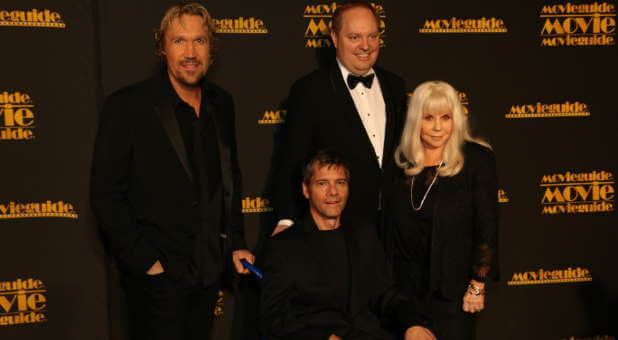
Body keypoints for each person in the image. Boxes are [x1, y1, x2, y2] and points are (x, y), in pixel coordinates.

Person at [90, 3, 254, 339]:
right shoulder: (128, 106)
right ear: (162, 47)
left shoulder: (223, 103)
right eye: (179, 41)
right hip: (157, 280)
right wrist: (146, 262)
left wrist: (235, 240)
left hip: (209, 272)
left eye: (199, 41)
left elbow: (229, 178)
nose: (190, 52)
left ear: (212, 48)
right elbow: (105, 192)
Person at [260, 150, 436, 340]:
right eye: (322, 183)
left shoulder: (363, 234)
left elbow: (386, 294)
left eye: (340, 182)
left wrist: (411, 324)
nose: (333, 192)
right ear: (305, 190)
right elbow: (273, 320)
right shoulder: (284, 246)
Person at [271, 0, 408, 236]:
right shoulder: (309, 90)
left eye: (372, 36)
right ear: (335, 39)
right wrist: (287, 219)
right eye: (354, 37)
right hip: (336, 228)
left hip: (393, 230)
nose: (365, 46)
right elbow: (292, 159)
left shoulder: (395, 86)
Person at [383, 81, 498, 340]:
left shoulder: (476, 160)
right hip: (405, 295)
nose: (437, 127)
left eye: (445, 117)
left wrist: (477, 285)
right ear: (416, 121)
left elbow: (487, 224)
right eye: (429, 118)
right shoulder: (400, 163)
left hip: (453, 293)